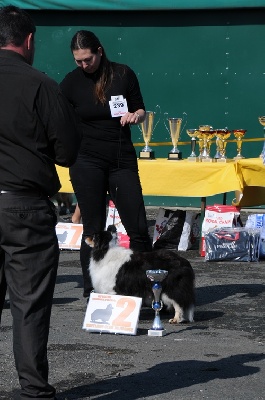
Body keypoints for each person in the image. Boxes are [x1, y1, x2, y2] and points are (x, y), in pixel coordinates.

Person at [0, 5, 80, 399]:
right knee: (28, 304)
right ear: (28, 40)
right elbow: (67, 150)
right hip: (23, 203)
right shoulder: (40, 84)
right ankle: (33, 391)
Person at [60, 30, 152, 298]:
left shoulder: (123, 74)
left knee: (137, 226)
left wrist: (136, 115)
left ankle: (146, 288)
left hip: (121, 159)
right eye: (78, 61)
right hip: (86, 160)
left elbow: (141, 109)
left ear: (99, 51)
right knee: (93, 228)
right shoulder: (70, 83)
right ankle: (94, 291)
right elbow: (60, 120)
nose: (83, 65)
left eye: (87, 59)